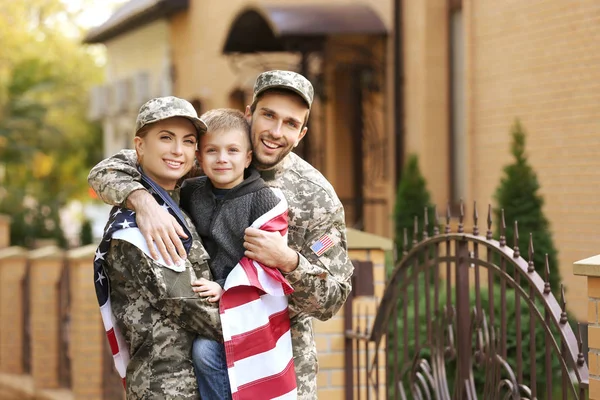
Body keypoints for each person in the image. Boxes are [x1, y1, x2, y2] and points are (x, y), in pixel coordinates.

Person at [88, 70, 355, 399]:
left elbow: (332, 298)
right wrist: (143, 202)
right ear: (249, 113)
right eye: (268, 115)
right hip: (199, 362)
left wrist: (289, 261)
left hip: (275, 362)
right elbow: (109, 169)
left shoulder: (317, 197)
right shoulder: (210, 156)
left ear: (302, 133)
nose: (275, 131)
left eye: (290, 123)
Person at [92, 96, 223, 399]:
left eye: (188, 141)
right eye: (166, 138)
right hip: (167, 387)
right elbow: (195, 308)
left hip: (195, 382)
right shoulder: (141, 229)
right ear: (139, 146)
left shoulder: (174, 202)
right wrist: (274, 319)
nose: (178, 150)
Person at [184, 108, 296, 399]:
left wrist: (225, 290)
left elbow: (261, 265)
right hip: (199, 299)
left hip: (245, 304)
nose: (222, 159)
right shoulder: (190, 192)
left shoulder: (263, 201)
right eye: (212, 151)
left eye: (233, 150)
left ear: (247, 158)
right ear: (199, 157)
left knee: (206, 351)